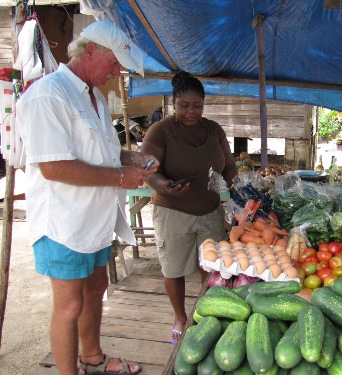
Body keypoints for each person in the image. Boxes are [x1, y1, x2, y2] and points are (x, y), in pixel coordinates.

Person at [15, 20, 159, 375]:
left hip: (94, 220)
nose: (116, 72)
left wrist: (131, 159)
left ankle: (92, 357)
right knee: (68, 305)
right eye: (113, 64)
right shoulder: (49, 95)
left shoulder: (92, 96)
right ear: (90, 50)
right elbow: (55, 168)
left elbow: (101, 153)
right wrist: (120, 176)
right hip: (63, 223)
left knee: (97, 287)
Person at [140, 71, 237, 344]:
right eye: (184, 105)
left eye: (197, 105)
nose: (191, 111)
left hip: (210, 210)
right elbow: (147, 170)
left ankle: (206, 312)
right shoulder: (161, 131)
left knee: (214, 267)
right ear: (174, 104)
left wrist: (230, 186)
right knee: (174, 268)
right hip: (172, 211)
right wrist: (165, 185)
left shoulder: (214, 130)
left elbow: (228, 166)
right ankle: (180, 316)